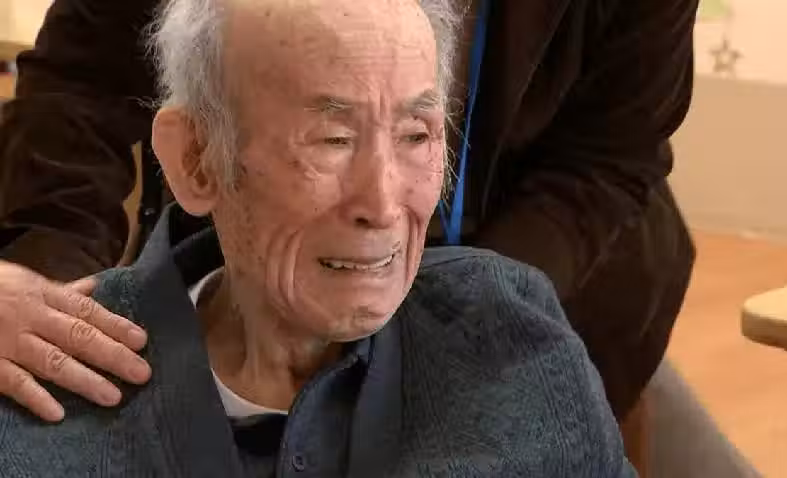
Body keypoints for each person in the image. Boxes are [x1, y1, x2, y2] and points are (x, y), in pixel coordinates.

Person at [0, 1, 637, 476]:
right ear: (195, 160)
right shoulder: (38, 421)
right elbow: (72, 91)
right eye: (332, 140)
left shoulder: (521, 346)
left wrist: (455, 318)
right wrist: (46, 282)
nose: (383, 206)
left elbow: (606, 160)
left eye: (416, 135)